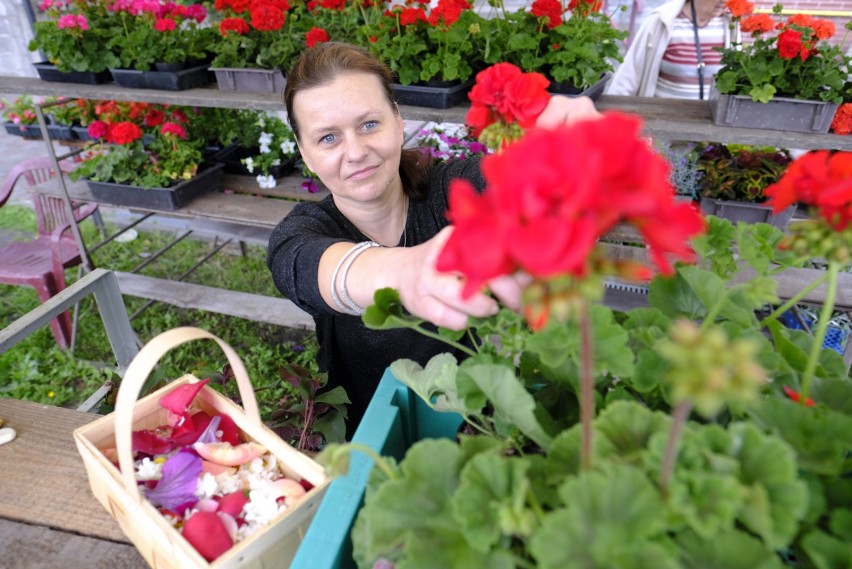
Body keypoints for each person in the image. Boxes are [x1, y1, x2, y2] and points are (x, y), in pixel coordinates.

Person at [267, 42, 600, 434]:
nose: (355, 151)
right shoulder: (302, 233)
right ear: (305, 154)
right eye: (328, 138)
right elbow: (310, 266)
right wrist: (405, 269)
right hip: (375, 434)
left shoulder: (453, 187)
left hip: (485, 426)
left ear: (399, 120)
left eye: (369, 124)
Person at [607, 0, 732, 99]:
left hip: (711, 126)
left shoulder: (732, 24)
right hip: (663, 120)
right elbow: (628, 77)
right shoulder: (662, 20)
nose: (724, 1)